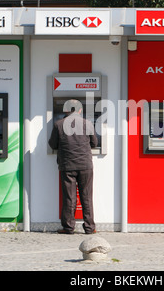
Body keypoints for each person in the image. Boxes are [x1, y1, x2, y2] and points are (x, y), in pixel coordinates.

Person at [48, 99, 98, 234]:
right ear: (80, 110)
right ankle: (89, 227)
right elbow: (94, 143)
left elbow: (52, 144)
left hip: (67, 165)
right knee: (86, 196)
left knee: (70, 197)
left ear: (66, 110)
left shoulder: (59, 124)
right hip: (85, 165)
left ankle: (69, 227)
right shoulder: (87, 124)